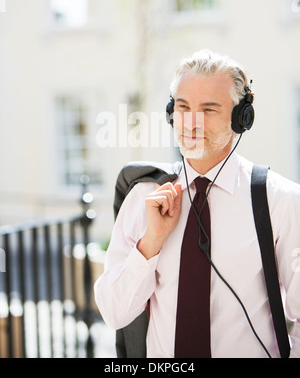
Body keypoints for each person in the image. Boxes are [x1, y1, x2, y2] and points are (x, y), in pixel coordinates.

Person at [94, 49, 300, 358]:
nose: (191, 123)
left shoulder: (280, 200)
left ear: (241, 119)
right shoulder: (142, 197)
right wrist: (150, 244)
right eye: (183, 107)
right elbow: (114, 313)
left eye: (209, 109)